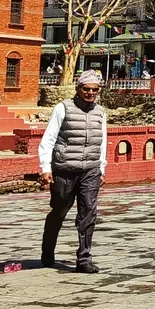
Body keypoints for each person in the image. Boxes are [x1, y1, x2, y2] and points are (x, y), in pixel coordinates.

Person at [38, 70, 109, 273]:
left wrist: (101, 167)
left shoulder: (101, 112)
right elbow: (49, 139)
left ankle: (84, 258)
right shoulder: (63, 108)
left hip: (90, 170)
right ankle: (48, 249)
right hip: (64, 169)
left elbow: (102, 142)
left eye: (94, 90)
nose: (90, 93)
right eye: (86, 89)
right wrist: (45, 167)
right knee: (59, 210)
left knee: (89, 213)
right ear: (78, 89)